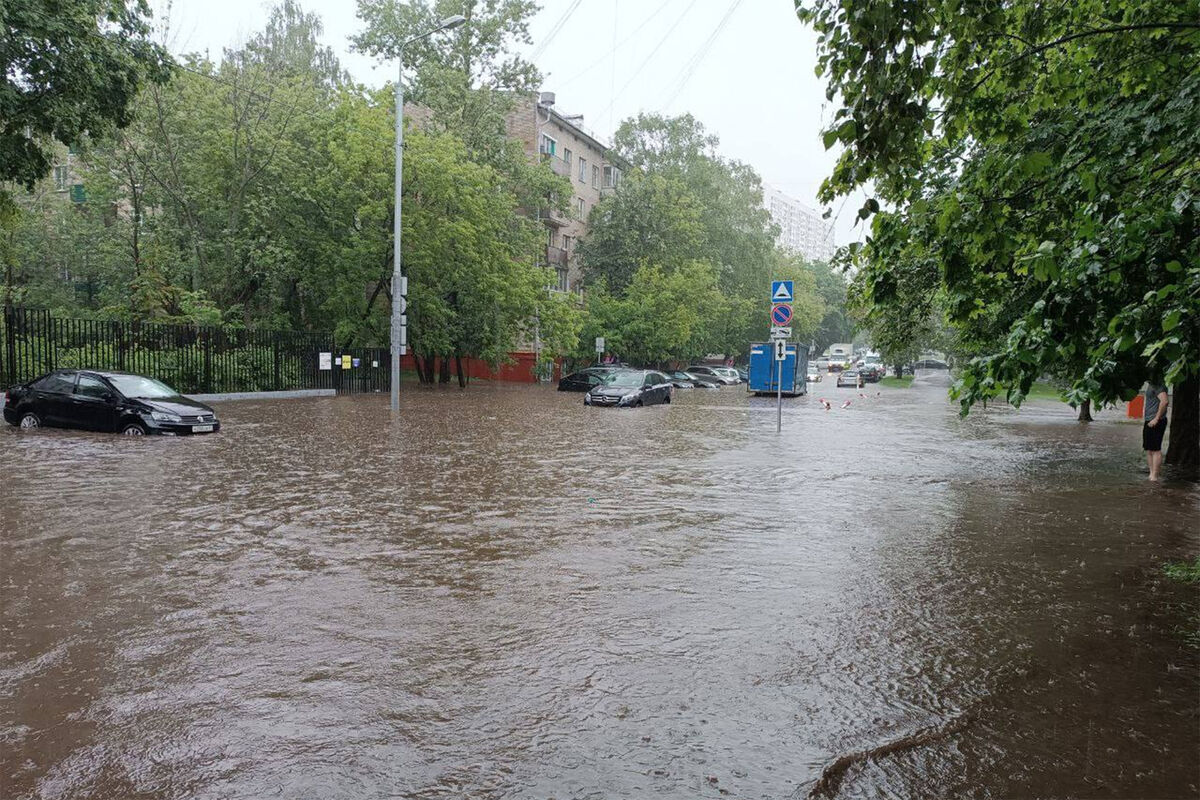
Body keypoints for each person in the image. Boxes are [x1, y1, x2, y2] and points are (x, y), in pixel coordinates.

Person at [1143, 381, 1170, 481]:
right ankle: (1151, 475)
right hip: (1149, 420)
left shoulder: (1158, 385)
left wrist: (1156, 418)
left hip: (1156, 421)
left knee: (1155, 450)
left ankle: (1154, 476)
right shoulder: (1151, 384)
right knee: (1149, 449)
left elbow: (1165, 401)